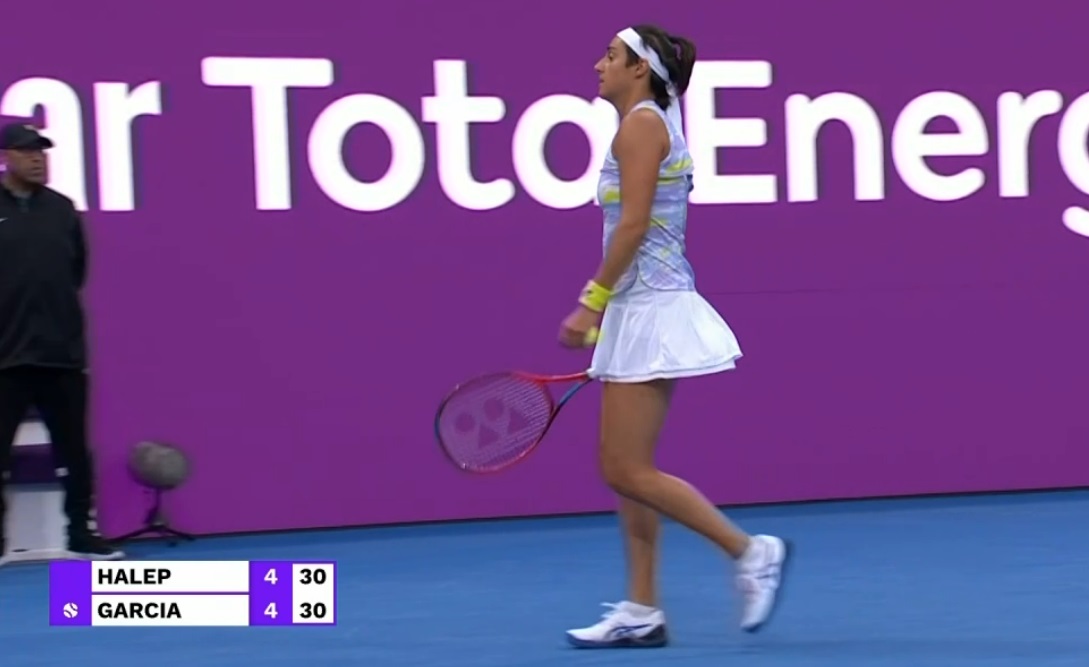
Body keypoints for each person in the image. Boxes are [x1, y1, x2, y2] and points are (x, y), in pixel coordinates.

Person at [557, 26, 790, 647]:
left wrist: (590, 302)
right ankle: (642, 609)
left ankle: (749, 551)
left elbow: (633, 226)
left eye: (611, 56)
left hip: (651, 310)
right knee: (628, 470)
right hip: (639, 307)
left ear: (640, 69)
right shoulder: (650, 122)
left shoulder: (640, 127)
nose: (598, 64)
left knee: (623, 468)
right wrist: (610, 311)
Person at [0, 123, 124, 560]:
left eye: (42, 152)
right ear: (6, 158)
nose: (38, 159)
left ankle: (81, 535)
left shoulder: (62, 210)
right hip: (5, 358)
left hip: (61, 356)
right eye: (27, 152)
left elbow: (75, 272)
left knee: (74, 449)